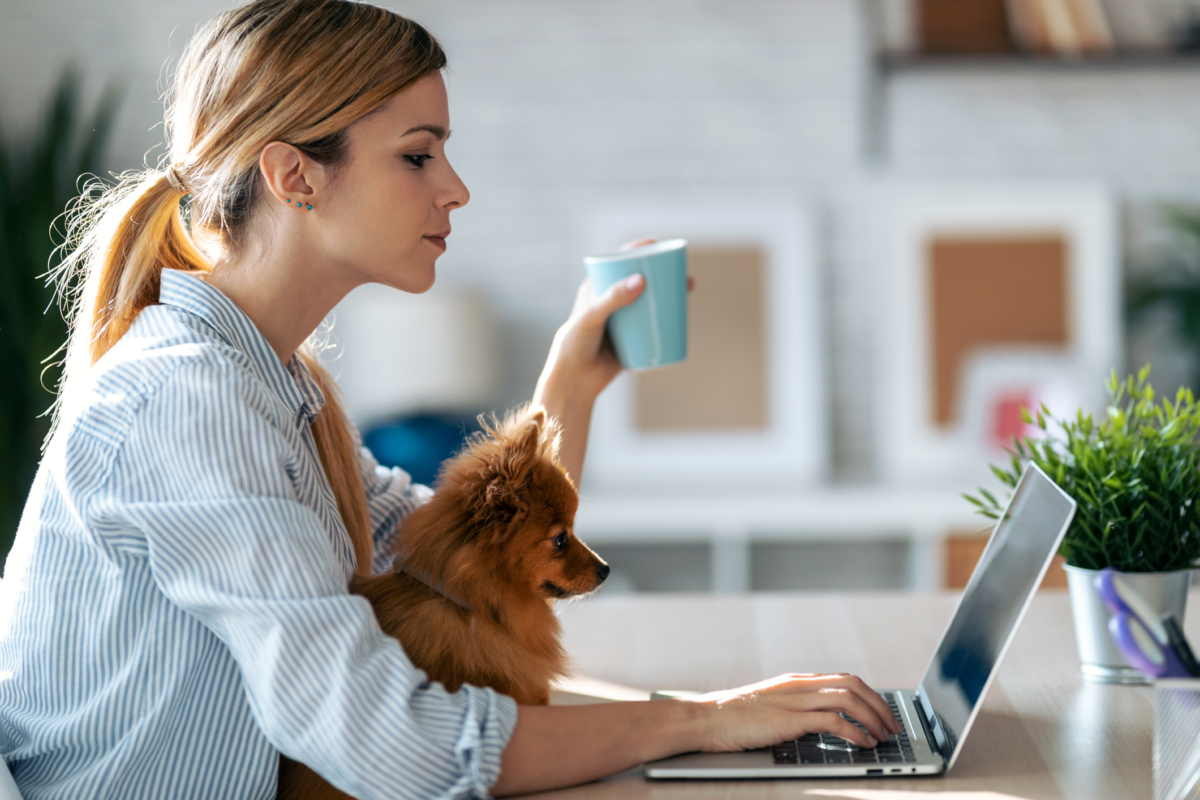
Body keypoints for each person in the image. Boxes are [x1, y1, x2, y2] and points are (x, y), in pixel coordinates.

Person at [0, 1, 901, 798]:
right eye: (417, 155)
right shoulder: (189, 400)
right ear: (295, 176)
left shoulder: (270, 384)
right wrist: (700, 721)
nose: (455, 189)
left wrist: (569, 388)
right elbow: (391, 747)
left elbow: (453, 553)